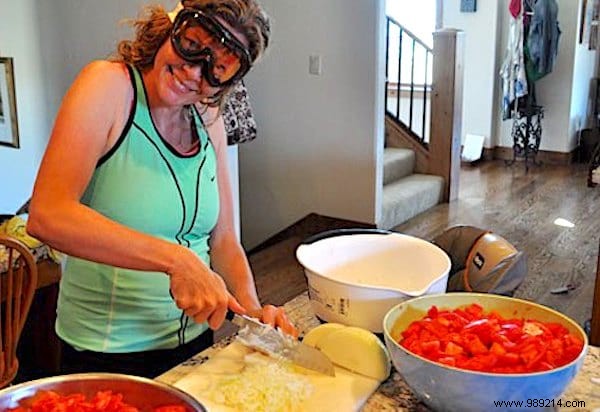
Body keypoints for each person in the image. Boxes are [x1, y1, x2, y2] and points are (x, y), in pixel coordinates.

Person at [26, 0, 297, 378]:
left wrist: (253, 314)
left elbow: (223, 240)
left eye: (217, 67)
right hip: (110, 357)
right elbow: (47, 215)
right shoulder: (108, 87)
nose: (193, 70)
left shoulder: (209, 117)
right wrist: (177, 260)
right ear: (172, 28)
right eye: (192, 43)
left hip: (196, 350)